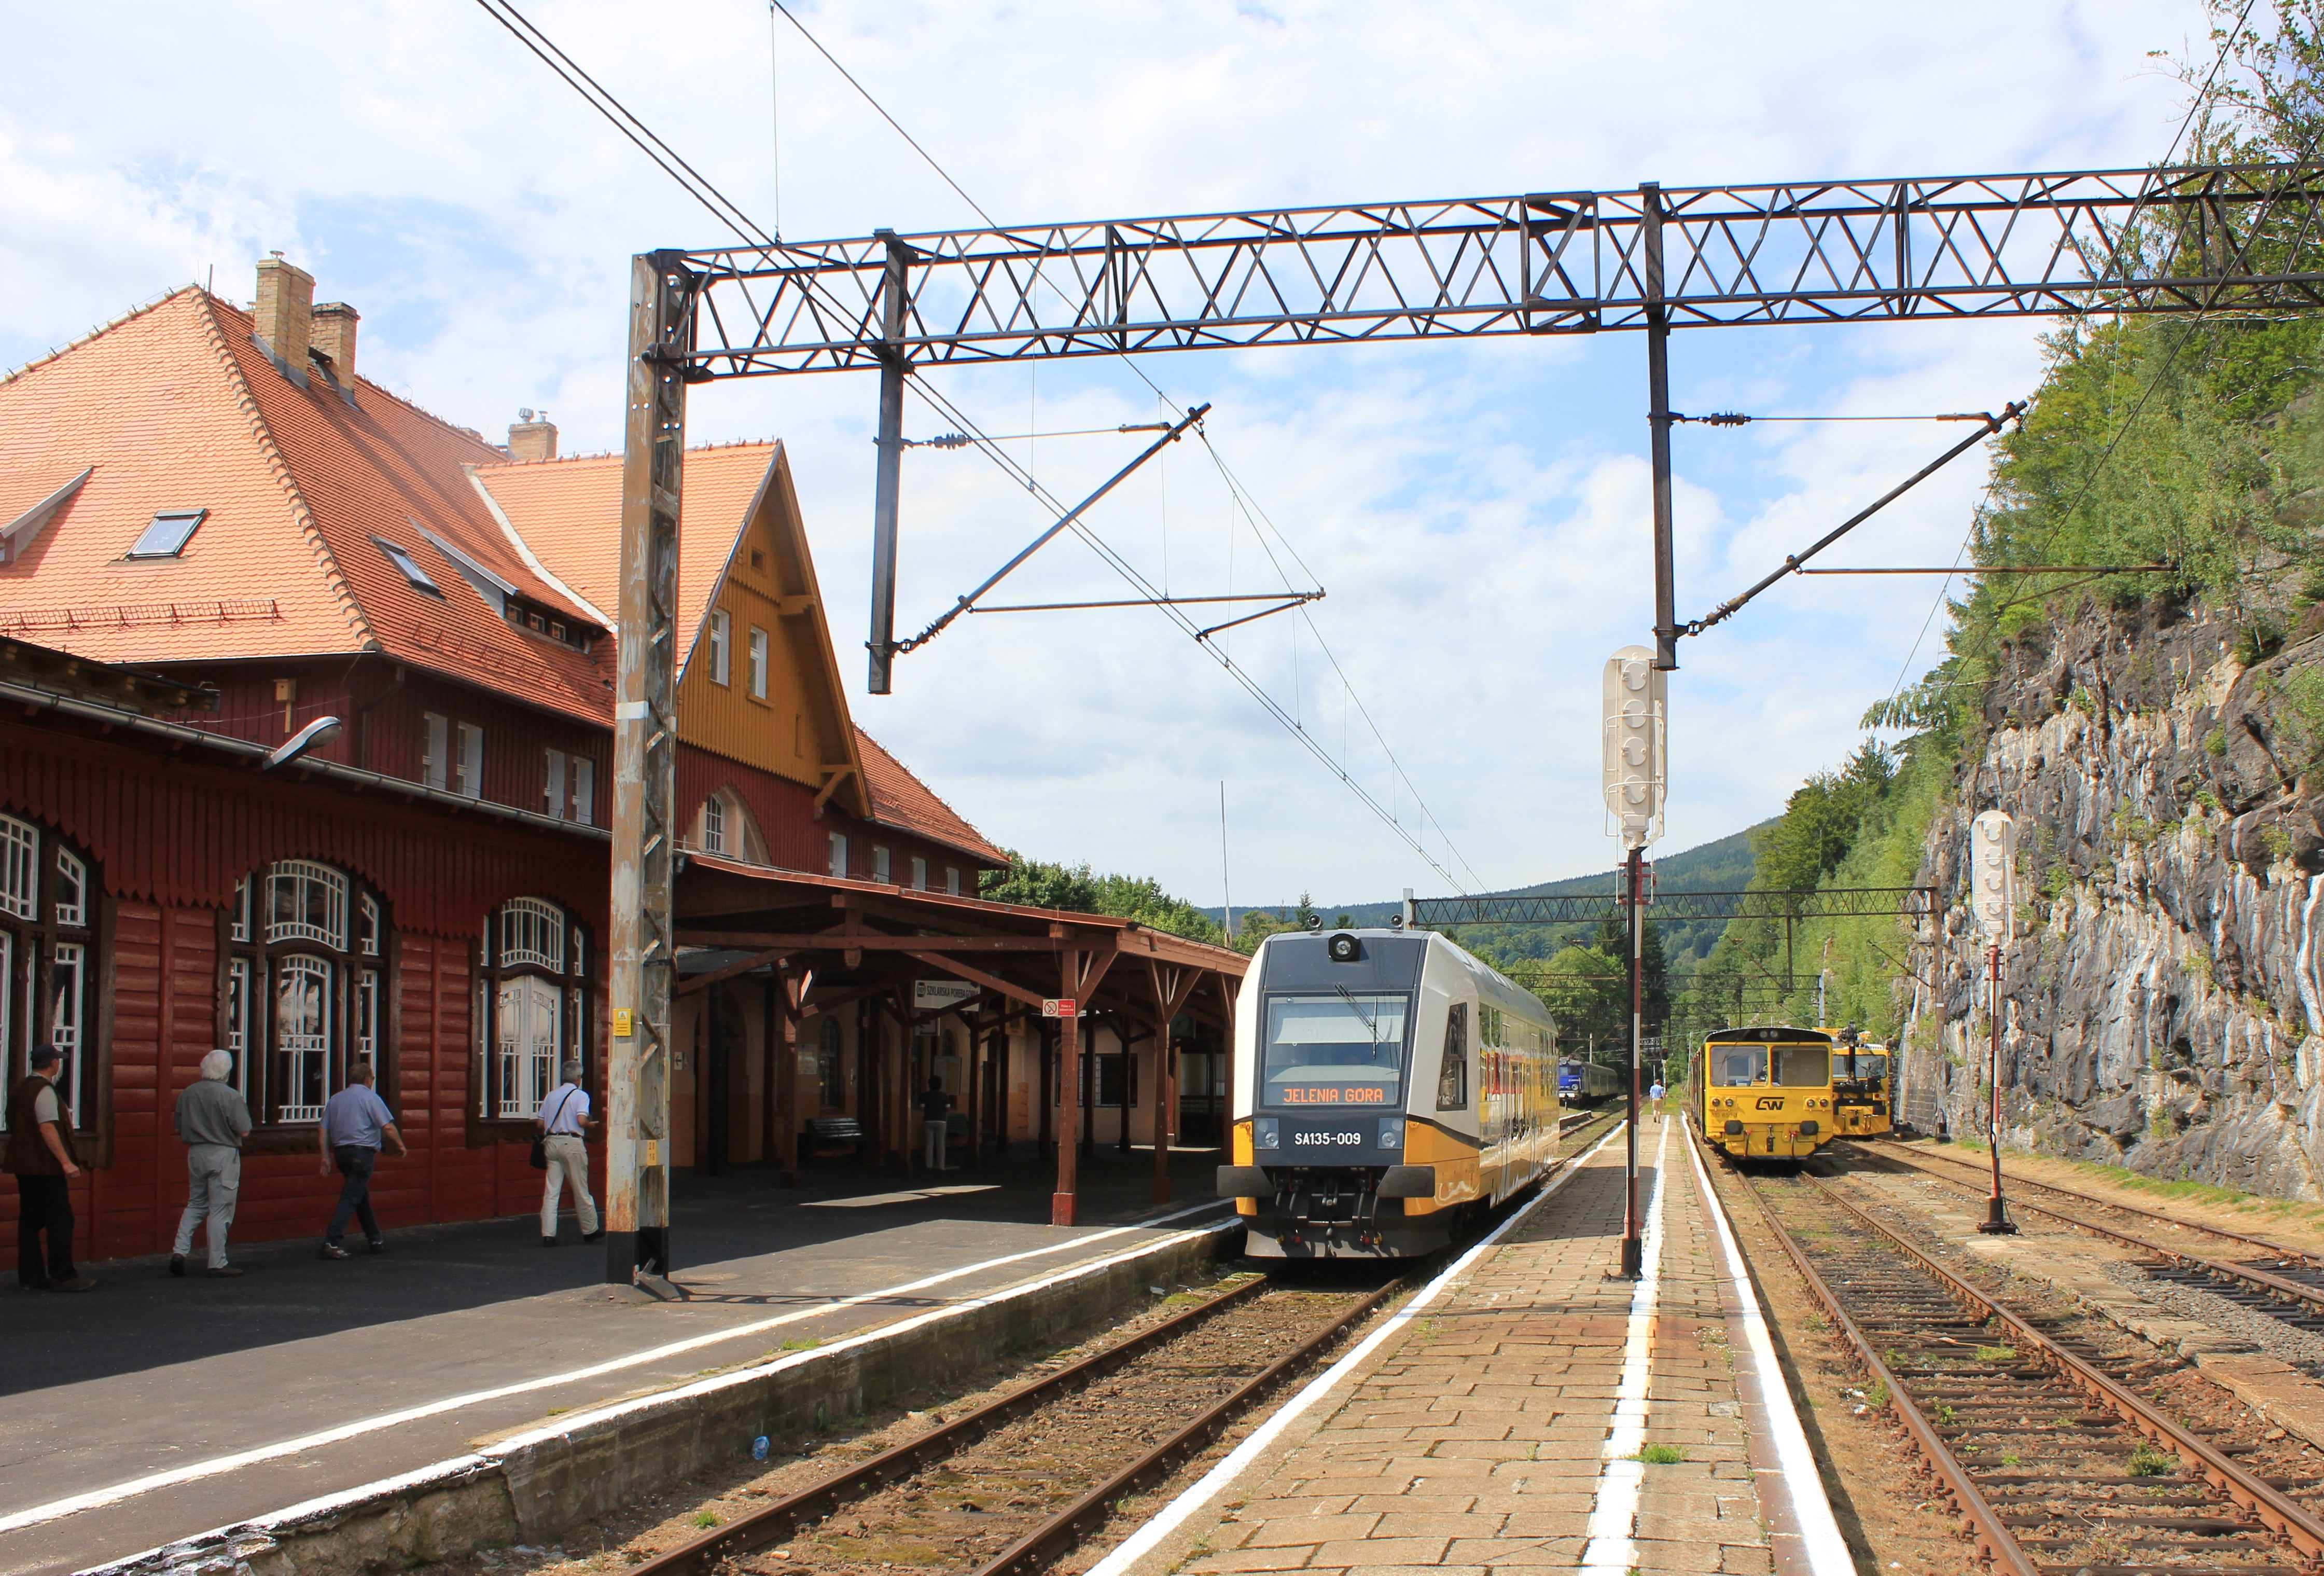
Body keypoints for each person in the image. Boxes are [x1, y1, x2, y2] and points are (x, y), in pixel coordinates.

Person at [5, 1046, 93, 1292]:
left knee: (30, 1220)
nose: (59, 1064)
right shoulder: (44, 1090)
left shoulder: (19, 1088)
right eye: (58, 1060)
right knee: (61, 1218)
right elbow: (47, 1128)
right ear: (53, 1063)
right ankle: (63, 1274)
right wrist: (66, 1162)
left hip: (24, 1165)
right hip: (45, 1167)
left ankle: (31, 1278)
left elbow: (12, 1121)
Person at [172, 1049, 252, 1278]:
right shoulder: (230, 1096)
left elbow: (179, 1126)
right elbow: (244, 1131)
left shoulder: (187, 1094)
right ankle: (217, 1262)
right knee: (220, 1209)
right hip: (223, 1153)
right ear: (226, 1071)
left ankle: (179, 1252)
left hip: (196, 1153)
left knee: (195, 1203)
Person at [316, 1059, 405, 1260]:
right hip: (362, 1153)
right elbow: (388, 1127)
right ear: (367, 1079)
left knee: (359, 1196)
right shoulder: (370, 1098)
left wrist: (325, 1157)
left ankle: (375, 1239)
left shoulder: (336, 1099)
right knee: (351, 1197)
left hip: (341, 1154)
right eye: (372, 1079)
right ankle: (332, 1241)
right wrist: (400, 1145)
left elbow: (323, 1129)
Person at [535, 1061, 602, 1247]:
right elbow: (581, 1120)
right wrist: (590, 1125)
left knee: (551, 1191)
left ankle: (548, 1234)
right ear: (578, 1078)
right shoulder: (580, 1096)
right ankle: (590, 1230)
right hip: (571, 1142)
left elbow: (540, 1124)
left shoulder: (551, 1095)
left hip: (551, 1142)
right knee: (581, 1189)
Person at [920, 1075, 954, 1171]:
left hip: (928, 1120)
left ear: (929, 1085)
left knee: (929, 1143)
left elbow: (922, 1108)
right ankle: (941, 1166)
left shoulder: (925, 1095)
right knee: (940, 1144)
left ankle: (929, 1165)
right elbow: (948, 1109)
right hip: (941, 1120)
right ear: (940, 1085)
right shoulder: (944, 1095)